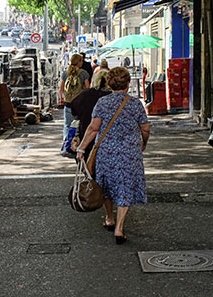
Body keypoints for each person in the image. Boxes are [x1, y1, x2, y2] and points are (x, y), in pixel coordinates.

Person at [76, 67, 150, 244]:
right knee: (124, 186)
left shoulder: (102, 103)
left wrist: (81, 149)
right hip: (129, 152)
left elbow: (93, 128)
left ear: (109, 83)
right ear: (128, 83)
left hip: (107, 151)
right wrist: (144, 142)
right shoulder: (135, 104)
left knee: (106, 186)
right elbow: (145, 128)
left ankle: (109, 218)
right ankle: (119, 228)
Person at [59, 53, 91, 142]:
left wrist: (61, 99)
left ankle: (66, 144)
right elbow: (87, 89)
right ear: (79, 62)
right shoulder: (84, 73)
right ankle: (77, 145)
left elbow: (61, 89)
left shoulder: (65, 73)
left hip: (68, 102)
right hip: (80, 103)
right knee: (80, 125)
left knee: (67, 125)